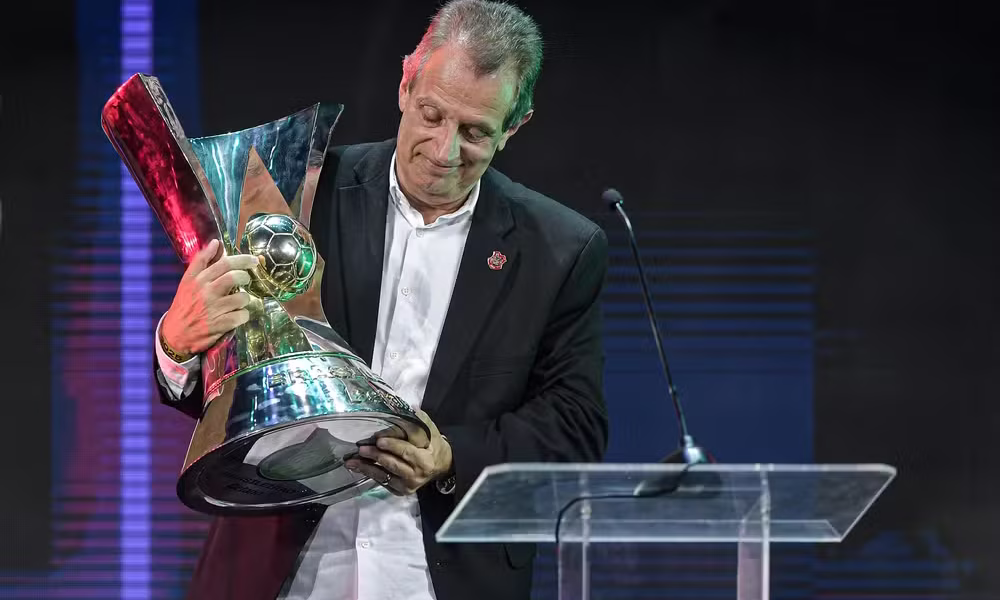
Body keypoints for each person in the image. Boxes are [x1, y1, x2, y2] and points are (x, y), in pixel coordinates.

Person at [152, 1, 608, 599]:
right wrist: (178, 345)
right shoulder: (298, 197)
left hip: (440, 575)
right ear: (404, 84)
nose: (444, 150)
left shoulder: (560, 250)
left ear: (515, 126)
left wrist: (450, 460)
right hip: (279, 573)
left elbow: (574, 427)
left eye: (475, 132)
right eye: (431, 115)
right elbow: (228, 392)